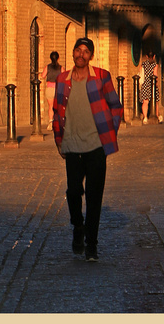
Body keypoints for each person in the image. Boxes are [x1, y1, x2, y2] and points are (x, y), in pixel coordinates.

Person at [52, 37, 123, 261]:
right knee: (73, 191)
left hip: (96, 146)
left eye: (85, 51)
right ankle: (78, 227)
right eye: (77, 50)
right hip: (72, 144)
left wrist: (108, 133)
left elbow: (116, 106)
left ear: (91, 55)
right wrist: (58, 140)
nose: (81, 54)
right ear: (72, 53)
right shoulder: (63, 79)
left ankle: (91, 244)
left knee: (94, 196)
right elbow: (57, 111)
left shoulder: (101, 76)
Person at [39, 50, 61, 130]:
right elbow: (64, 77)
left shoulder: (47, 67)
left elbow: (43, 76)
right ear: (58, 58)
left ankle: (51, 122)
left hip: (50, 88)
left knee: (51, 106)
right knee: (58, 106)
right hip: (58, 88)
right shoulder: (61, 68)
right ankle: (58, 122)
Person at [139, 50, 163, 124]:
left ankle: (145, 117)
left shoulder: (143, 64)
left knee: (145, 102)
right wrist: (156, 83)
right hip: (152, 84)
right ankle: (156, 116)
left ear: (146, 56)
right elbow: (155, 75)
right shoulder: (155, 65)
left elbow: (140, 73)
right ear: (154, 56)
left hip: (145, 85)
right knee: (155, 101)